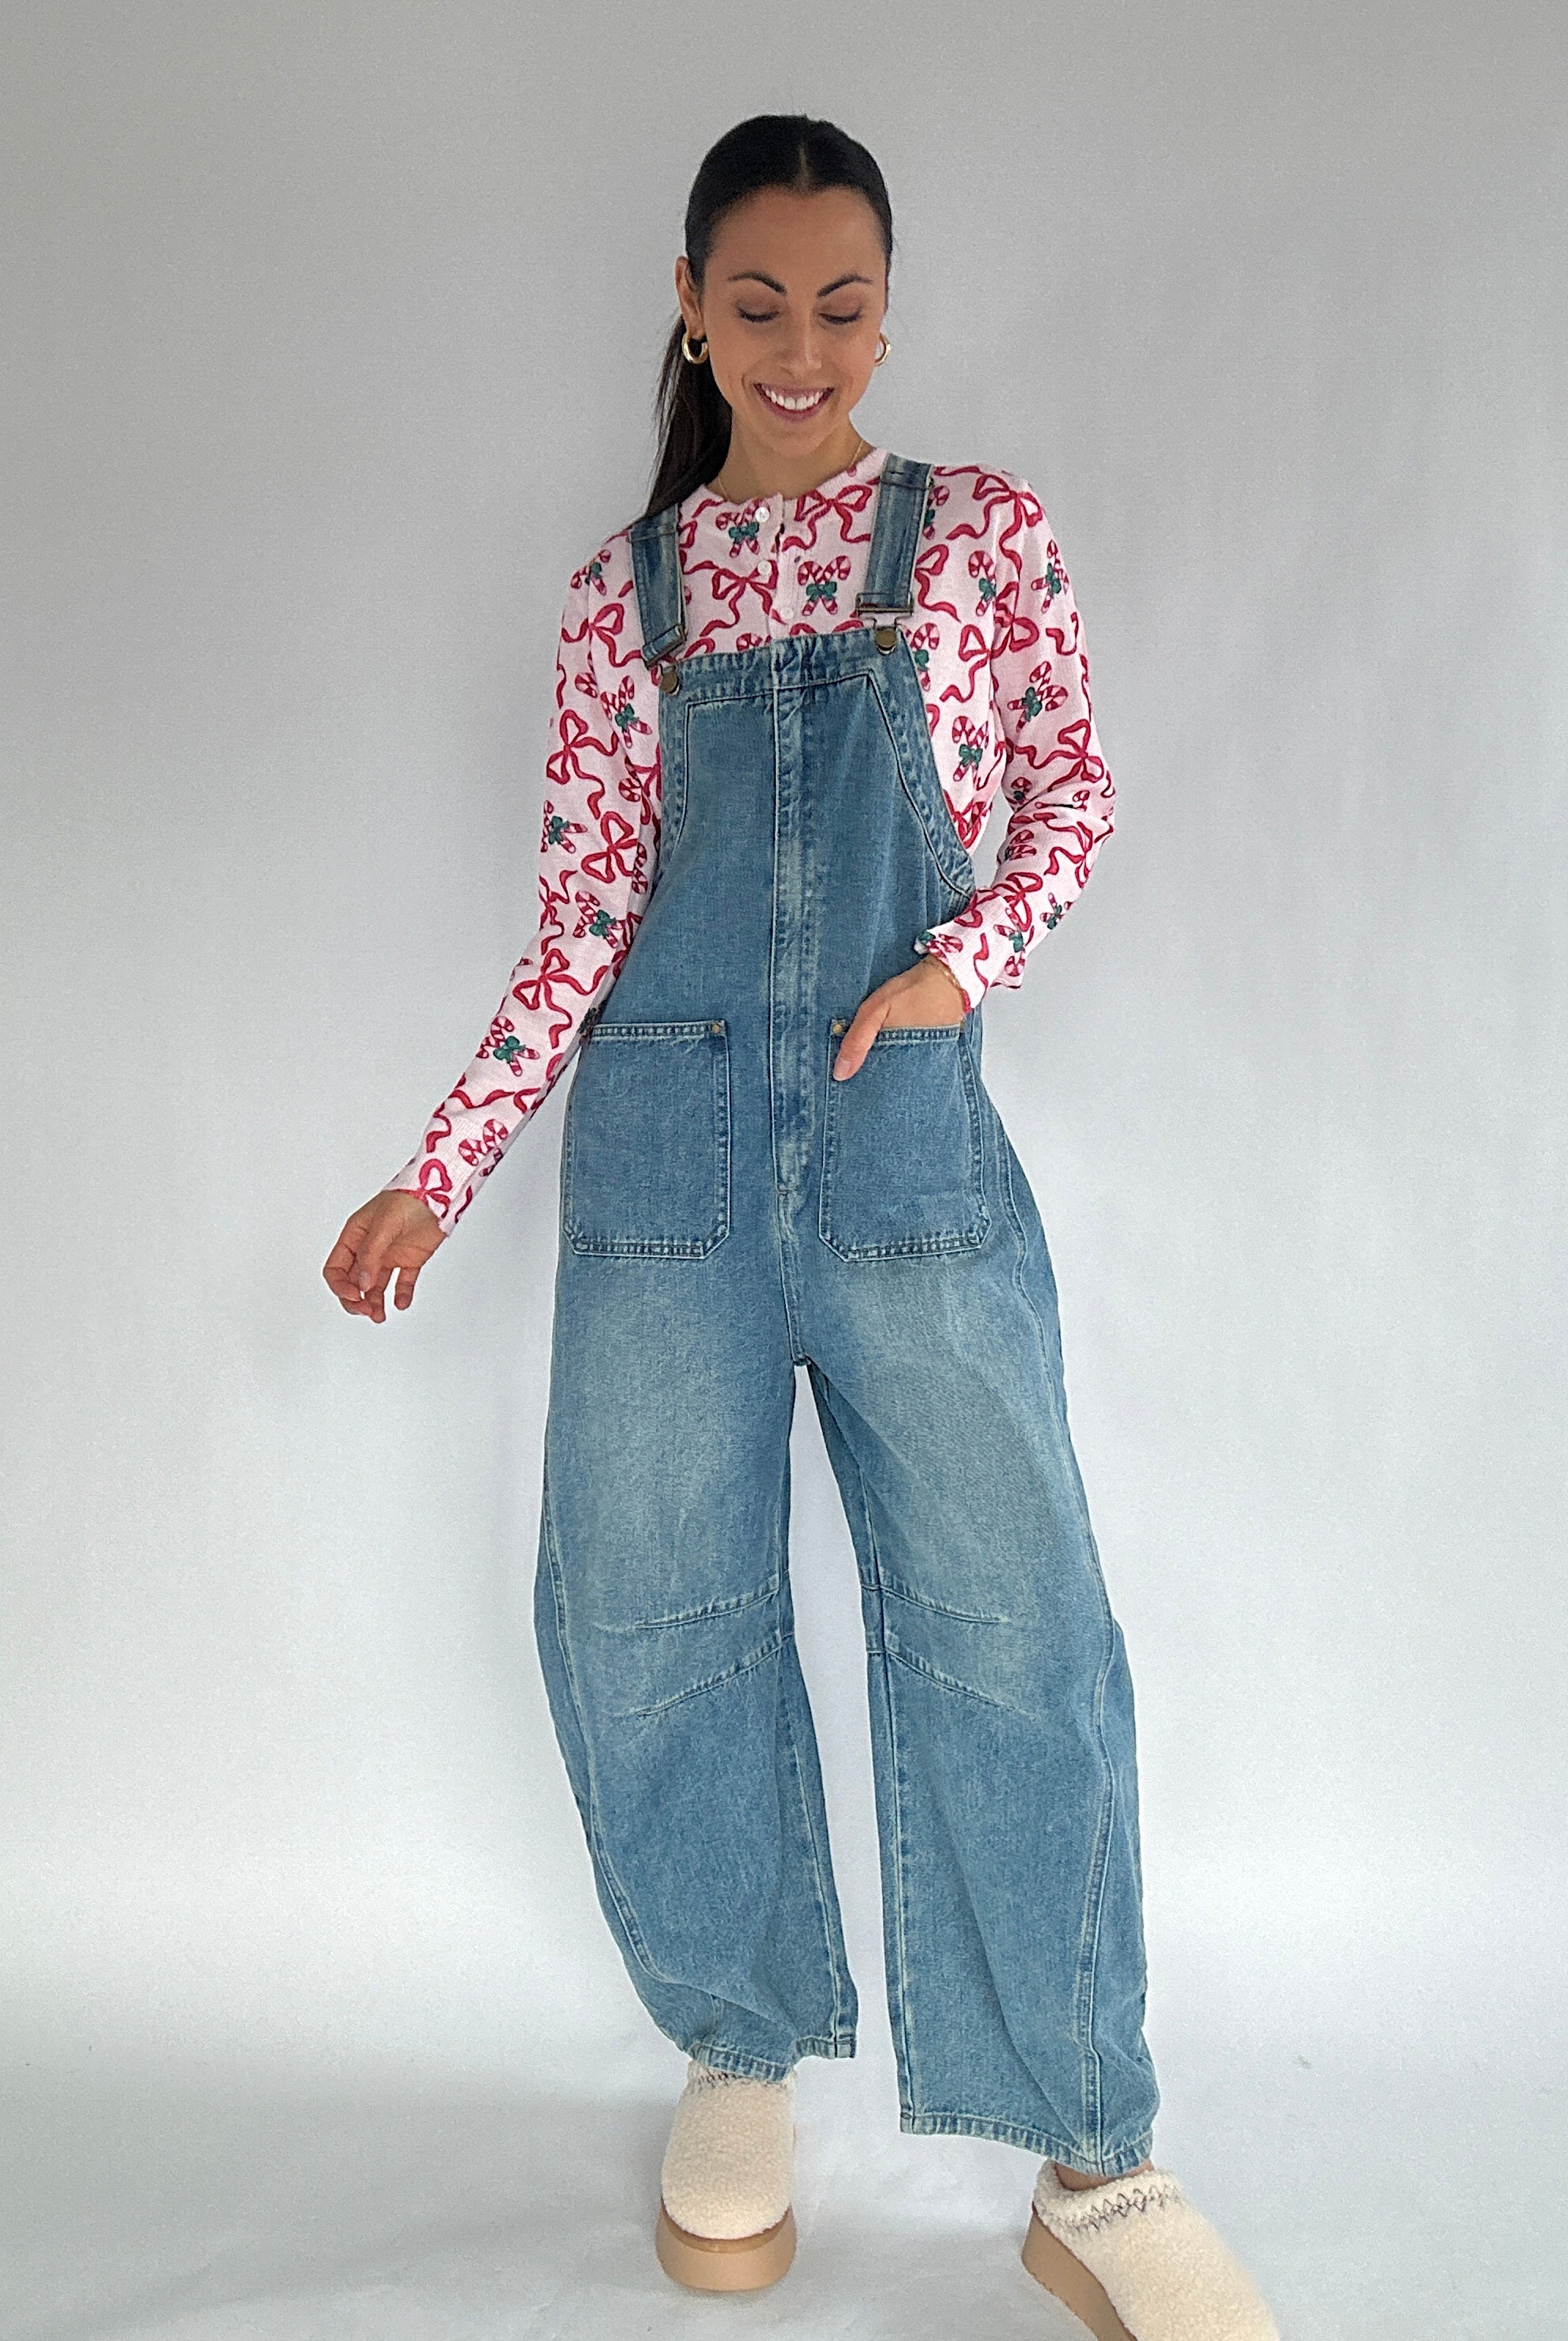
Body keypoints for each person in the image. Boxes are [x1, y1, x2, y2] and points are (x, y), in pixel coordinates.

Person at [323, 113, 1279, 2341]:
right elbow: (578, 926)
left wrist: (966, 960)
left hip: (900, 1145)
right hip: (657, 1172)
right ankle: (738, 2044)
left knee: (1015, 1613)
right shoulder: (620, 601)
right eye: (757, 302)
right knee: (649, 1607)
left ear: (888, 306)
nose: (801, 343)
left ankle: (1095, 2157)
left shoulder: (977, 538)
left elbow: (1074, 787)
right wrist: (436, 1169)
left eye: (843, 302)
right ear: (688, 300)